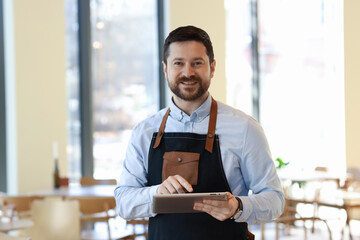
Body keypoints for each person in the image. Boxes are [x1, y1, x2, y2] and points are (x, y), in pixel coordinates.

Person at [114, 25, 284, 240]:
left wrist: (238, 206)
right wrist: (156, 193)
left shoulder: (245, 129)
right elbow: (123, 203)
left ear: (212, 68)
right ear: (165, 68)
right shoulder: (144, 132)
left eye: (197, 63)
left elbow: (275, 199)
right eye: (178, 63)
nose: (188, 72)